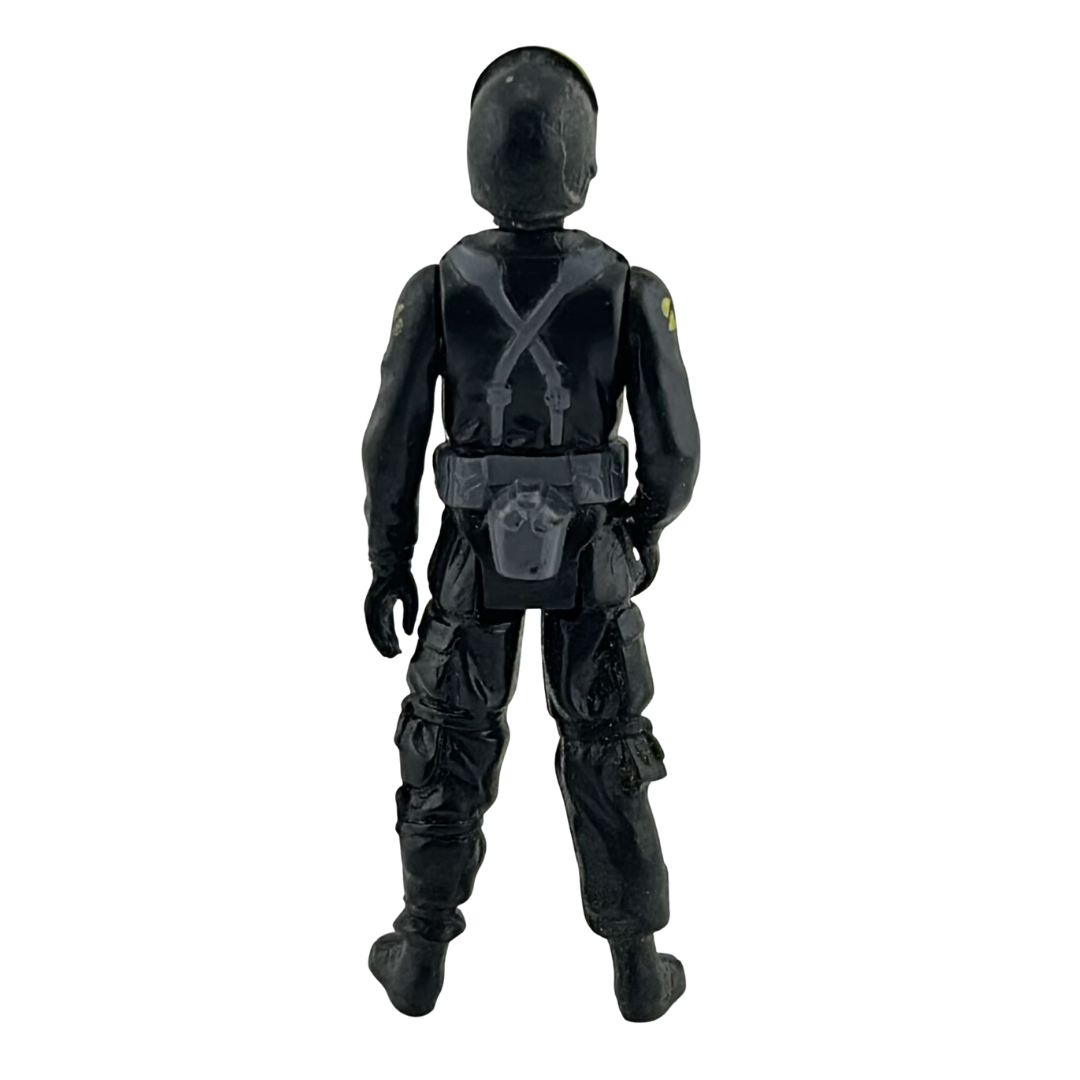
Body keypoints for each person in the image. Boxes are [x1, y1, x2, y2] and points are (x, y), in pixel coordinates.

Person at [362, 46, 700, 1021]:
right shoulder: (630, 288)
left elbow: (390, 442)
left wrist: (389, 560)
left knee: (446, 744)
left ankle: (421, 952)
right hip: (593, 558)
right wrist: (643, 528)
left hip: (470, 561)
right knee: (607, 749)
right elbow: (676, 450)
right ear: (583, 165)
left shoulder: (435, 288)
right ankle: (637, 965)